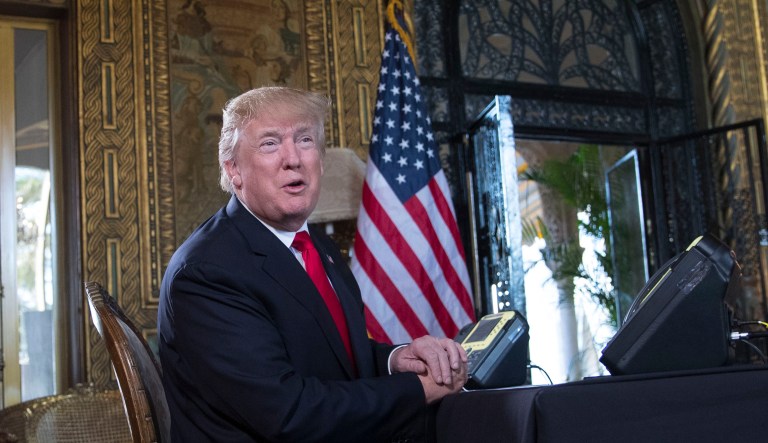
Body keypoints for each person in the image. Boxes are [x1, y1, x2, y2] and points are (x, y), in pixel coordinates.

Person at [157, 86, 468, 442]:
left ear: (320, 161)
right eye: (270, 143)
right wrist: (418, 390)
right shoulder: (206, 272)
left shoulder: (320, 246)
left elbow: (330, 355)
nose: (293, 159)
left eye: (305, 140)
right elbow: (289, 413)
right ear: (234, 170)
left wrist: (397, 359)